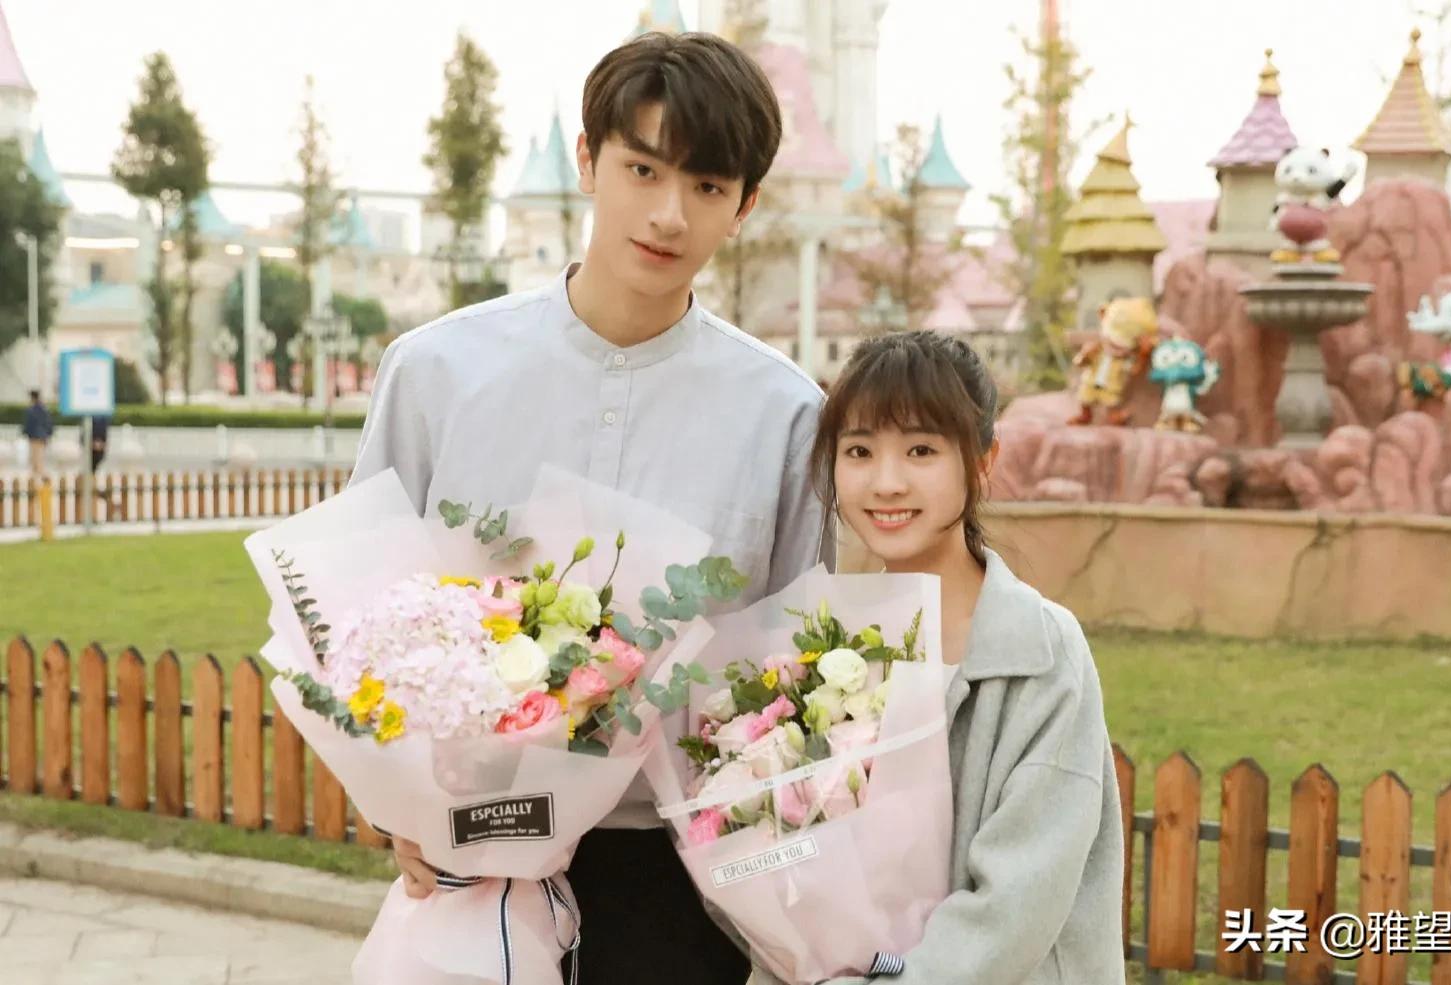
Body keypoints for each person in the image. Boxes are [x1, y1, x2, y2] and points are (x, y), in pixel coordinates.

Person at [348, 31, 827, 985]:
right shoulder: (437, 372)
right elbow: (361, 608)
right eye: (641, 168)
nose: (667, 214)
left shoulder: (783, 413)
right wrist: (389, 797)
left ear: (744, 206)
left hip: (679, 876)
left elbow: (789, 664)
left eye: (707, 185)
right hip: (467, 855)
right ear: (586, 160)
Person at [765, 331, 1125, 984]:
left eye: (921, 450)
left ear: (983, 462)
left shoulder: (1039, 652)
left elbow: (1016, 902)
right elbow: (772, 858)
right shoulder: (820, 652)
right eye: (859, 451)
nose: (886, 482)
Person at [23, 389, 52, 475]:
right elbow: (48, 423)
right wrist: (48, 434)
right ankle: (39, 473)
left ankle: (37, 475)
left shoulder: (31, 410)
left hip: (34, 436)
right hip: (43, 436)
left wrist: (25, 433)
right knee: (40, 456)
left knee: (34, 457)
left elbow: (28, 424)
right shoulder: (44, 408)